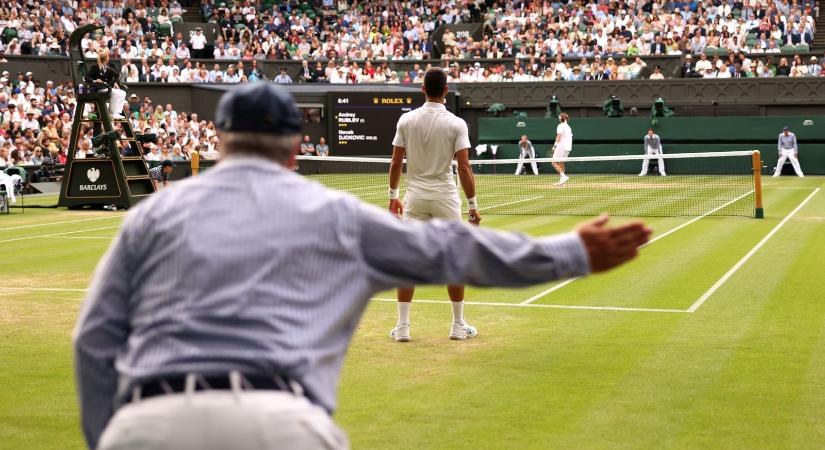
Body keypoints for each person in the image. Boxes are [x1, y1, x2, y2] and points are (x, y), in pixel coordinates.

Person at [73, 82, 651, 450]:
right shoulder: (335, 215)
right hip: (281, 423)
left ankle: (405, 324)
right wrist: (569, 253)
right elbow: (454, 250)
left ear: (220, 140)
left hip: (144, 424)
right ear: (296, 147)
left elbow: (94, 341)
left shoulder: (151, 217)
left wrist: (114, 436)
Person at [387, 67, 481, 342]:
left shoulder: (406, 120)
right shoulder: (456, 123)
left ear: (423, 90)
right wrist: (473, 206)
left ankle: (403, 328)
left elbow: (395, 163)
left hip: (414, 199)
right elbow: (464, 167)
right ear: (446, 91)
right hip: (445, 199)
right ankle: (458, 326)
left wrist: (394, 197)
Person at [84, 48, 127, 119]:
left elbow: (109, 81)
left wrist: (115, 81)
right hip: (97, 88)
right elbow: (87, 77)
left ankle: (117, 112)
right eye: (108, 57)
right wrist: (94, 81)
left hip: (106, 87)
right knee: (115, 93)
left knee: (122, 93)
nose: (109, 59)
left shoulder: (107, 68)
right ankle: (112, 113)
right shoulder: (95, 67)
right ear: (106, 59)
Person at [551, 112, 573, 186]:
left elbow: (559, 136)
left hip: (561, 146)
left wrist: (555, 145)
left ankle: (563, 176)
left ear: (560, 118)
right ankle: (562, 182)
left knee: (553, 162)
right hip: (568, 147)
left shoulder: (560, 126)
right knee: (561, 162)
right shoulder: (568, 127)